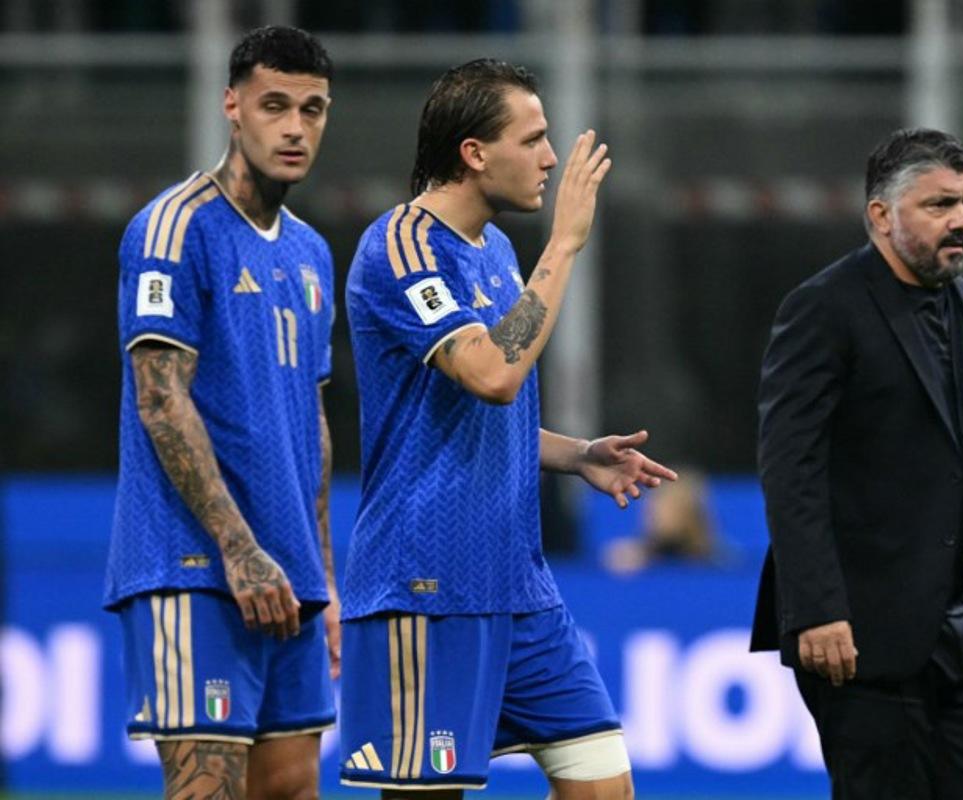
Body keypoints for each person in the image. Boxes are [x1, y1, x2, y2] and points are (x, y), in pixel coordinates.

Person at [338, 59, 675, 798]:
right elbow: (492, 375)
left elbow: (488, 412)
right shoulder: (401, 248)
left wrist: (576, 454)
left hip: (519, 586)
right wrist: (564, 246)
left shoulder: (492, 250)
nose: (551, 158)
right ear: (474, 153)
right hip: (424, 585)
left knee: (603, 783)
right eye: (535, 139)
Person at [751, 128, 963, 799]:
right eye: (938, 206)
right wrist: (816, 608)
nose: (959, 221)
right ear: (880, 215)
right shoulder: (824, 307)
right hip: (858, 635)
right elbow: (791, 467)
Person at [104, 26, 340, 800]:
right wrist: (239, 550)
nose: (295, 127)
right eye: (276, 106)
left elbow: (311, 420)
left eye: (313, 109)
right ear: (232, 106)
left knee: (293, 791)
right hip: (197, 566)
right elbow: (159, 397)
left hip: (290, 575)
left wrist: (323, 574)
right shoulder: (173, 230)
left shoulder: (310, 252)